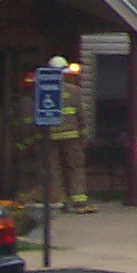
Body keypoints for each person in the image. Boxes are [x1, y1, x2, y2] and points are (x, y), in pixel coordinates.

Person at [46, 55, 97, 213]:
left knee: (54, 169)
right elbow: (81, 115)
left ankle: (58, 200)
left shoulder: (44, 90)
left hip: (51, 137)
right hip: (72, 137)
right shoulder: (74, 91)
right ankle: (78, 200)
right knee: (75, 167)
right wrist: (84, 135)